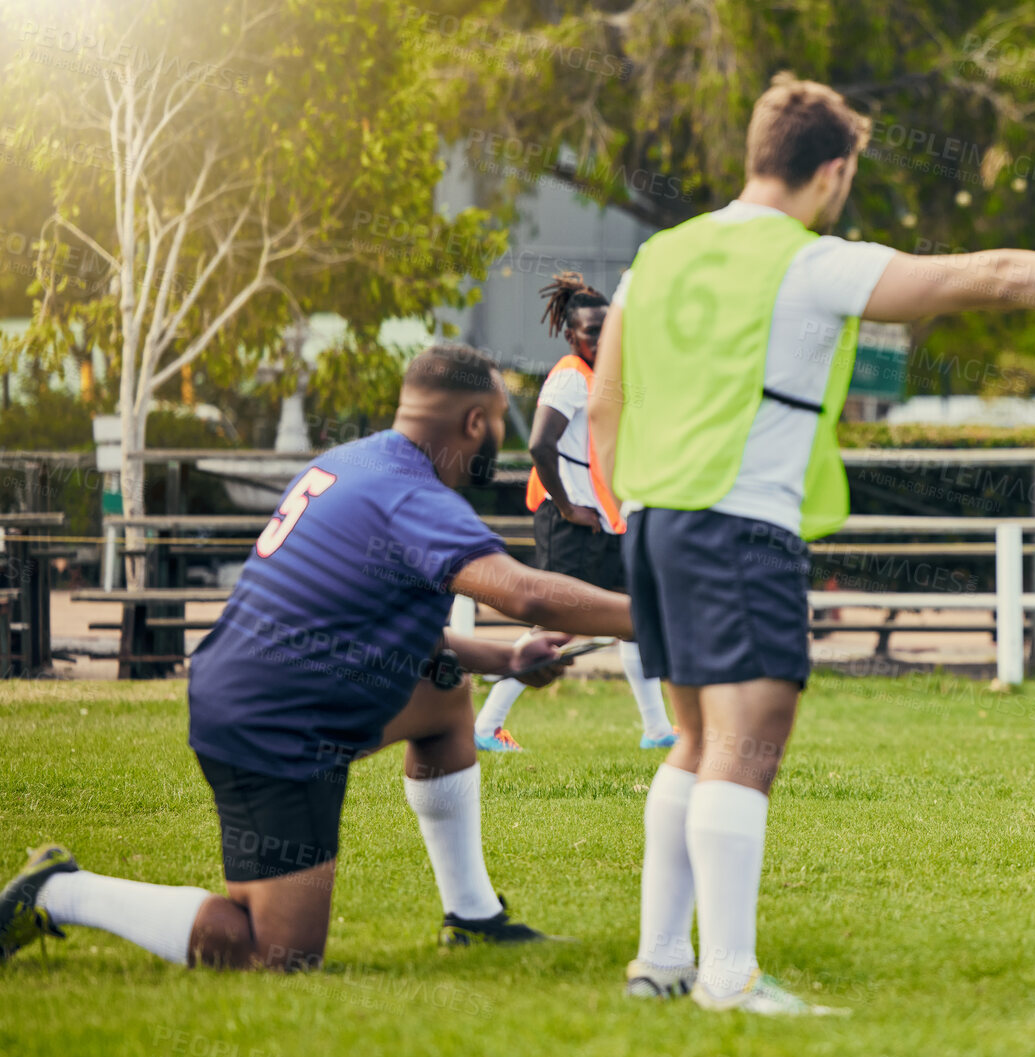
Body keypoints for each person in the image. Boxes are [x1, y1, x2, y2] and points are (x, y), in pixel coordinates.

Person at [589, 74, 1035, 1013]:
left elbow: (604, 403)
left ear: (759, 151)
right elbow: (989, 278)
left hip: (657, 521)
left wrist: (633, 505)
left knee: (693, 740)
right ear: (832, 172)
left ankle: (662, 961)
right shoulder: (809, 263)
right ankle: (728, 979)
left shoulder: (656, 257)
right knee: (745, 748)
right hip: (740, 526)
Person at [1, 345, 634, 970]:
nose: (501, 437)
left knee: (443, 693)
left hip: (263, 690)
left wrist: (507, 656)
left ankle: (473, 918)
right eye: (499, 421)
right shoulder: (413, 497)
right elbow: (526, 592)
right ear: (476, 423)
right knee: (273, 953)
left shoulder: (353, 462)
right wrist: (650, 618)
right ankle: (59, 891)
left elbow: (379, 626)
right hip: (274, 726)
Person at [473, 272, 677, 753]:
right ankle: (486, 725)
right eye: (591, 332)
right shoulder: (568, 374)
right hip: (571, 523)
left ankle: (656, 730)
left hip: (603, 521)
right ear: (570, 335)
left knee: (632, 617)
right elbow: (540, 444)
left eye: (608, 330)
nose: (602, 340)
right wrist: (568, 506)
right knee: (560, 627)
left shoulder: (603, 375)